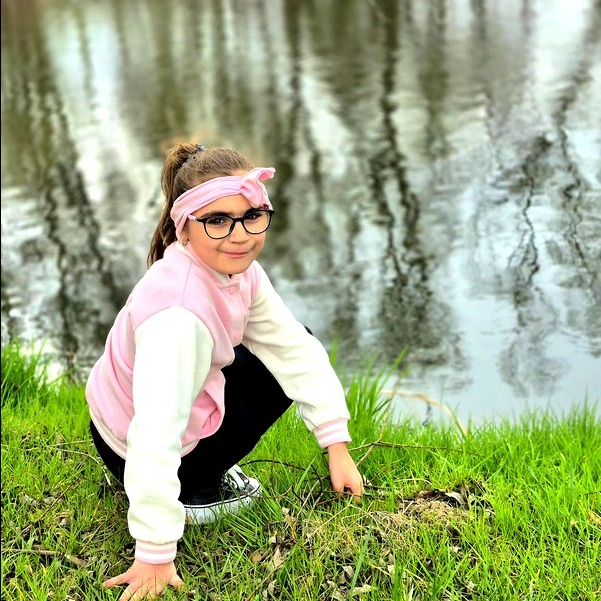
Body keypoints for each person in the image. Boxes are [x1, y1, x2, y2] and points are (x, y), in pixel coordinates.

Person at [86, 143, 364, 600]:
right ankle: (192, 490)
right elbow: (154, 434)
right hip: (131, 444)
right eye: (217, 220)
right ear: (185, 226)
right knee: (262, 380)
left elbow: (292, 347)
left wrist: (336, 444)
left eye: (252, 216)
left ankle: (195, 470)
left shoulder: (237, 271)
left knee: (293, 344)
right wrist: (155, 552)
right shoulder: (178, 315)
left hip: (115, 420)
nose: (240, 236)